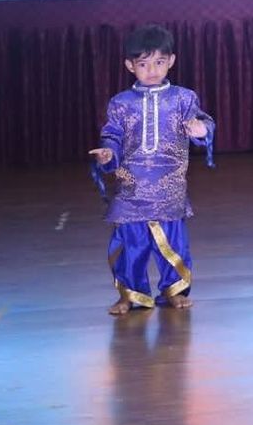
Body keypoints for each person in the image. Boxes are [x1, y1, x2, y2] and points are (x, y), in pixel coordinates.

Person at [90, 24, 214, 315]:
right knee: (131, 244)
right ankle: (130, 294)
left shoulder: (184, 98)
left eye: (159, 62)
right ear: (129, 66)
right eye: (143, 64)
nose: (152, 70)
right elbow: (113, 136)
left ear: (171, 61)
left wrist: (200, 129)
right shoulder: (120, 104)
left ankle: (174, 290)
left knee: (173, 243)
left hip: (170, 186)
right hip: (131, 187)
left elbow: (202, 123)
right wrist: (108, 153)